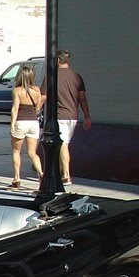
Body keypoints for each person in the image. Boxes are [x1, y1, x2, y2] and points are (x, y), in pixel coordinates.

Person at [41, 49, 91, 185]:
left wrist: (36, 111)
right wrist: (87, 116)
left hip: (59, 116)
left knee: (63, 145)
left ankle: (66, 175)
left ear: (57, 60)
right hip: (73, 116)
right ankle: (61, 172)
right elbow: (82, 98)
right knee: (64, 144)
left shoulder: (51, 77)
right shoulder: (76, 77)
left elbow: (43, 97)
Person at [9, 65, 43, 189]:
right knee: (32, 153)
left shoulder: (17, 90)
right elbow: (38, 108)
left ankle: (17, 178)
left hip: (21, 122)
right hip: (33, 123)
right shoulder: (37, 91)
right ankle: (40, 173)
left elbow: (15, 108)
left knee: (16, 151)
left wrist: (12, 124)